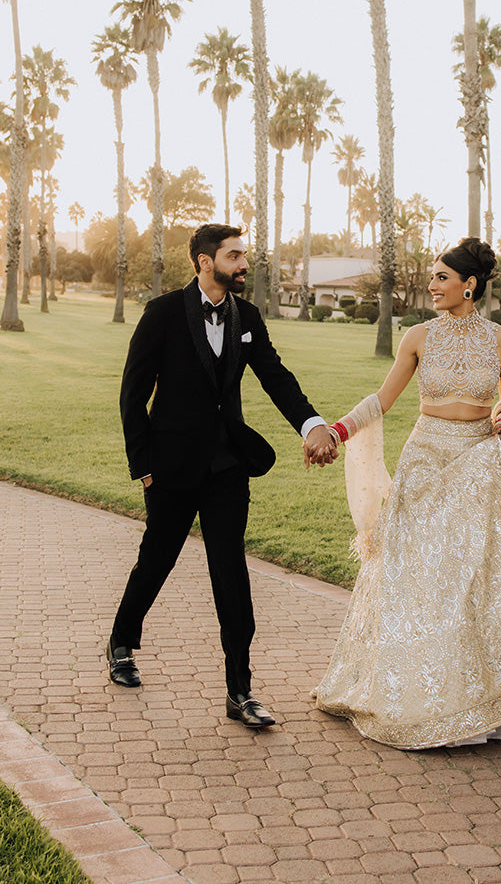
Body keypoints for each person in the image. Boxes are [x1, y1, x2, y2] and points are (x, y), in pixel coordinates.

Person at [310, 238, 501, 750]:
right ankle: (419, 691)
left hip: (482, 463)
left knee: (482, 579)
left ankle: (498, 702)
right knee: (418, 576)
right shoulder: (418, 336)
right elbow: (384, 398)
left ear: (470, 284)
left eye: (441, 277)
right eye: (433, 277)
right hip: (425, 462)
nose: (432, 286)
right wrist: (338, 430)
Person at [107, 223, 336, 728]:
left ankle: (240, 690)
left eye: (243, 255)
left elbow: (276, 377)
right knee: (157, 559)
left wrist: (312, 425)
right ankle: (122, 641)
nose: (243, 263)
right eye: (234, 255)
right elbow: (132, 395)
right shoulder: (163, 313)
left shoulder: (247, 316)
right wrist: (143, 468)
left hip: (228, 466)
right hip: (169, 467)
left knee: (230, 570)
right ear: (205, 261)